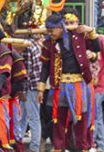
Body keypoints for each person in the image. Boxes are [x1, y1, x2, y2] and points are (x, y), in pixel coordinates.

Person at [38, 11, 101, 152]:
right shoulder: (49, 43)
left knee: (81, 119)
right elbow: (45, 68)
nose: (50, 33)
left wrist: (91, 31)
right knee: (57, 120)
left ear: (61, 27)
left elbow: (97, 48)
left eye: (52, 29)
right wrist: (41, 89)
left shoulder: (80, 37)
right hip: (59, 86)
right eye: (48, 30)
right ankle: (59, 148)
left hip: (79, 84)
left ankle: (83, 148)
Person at [19, 33, 42, 152]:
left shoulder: (26, 47)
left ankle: (33, 147)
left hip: (30, 87)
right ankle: (20, 143)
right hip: (34, 86)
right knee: (24, 117)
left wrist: (22, 91)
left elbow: (27, 72)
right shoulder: (33, 45)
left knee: (31, 117)